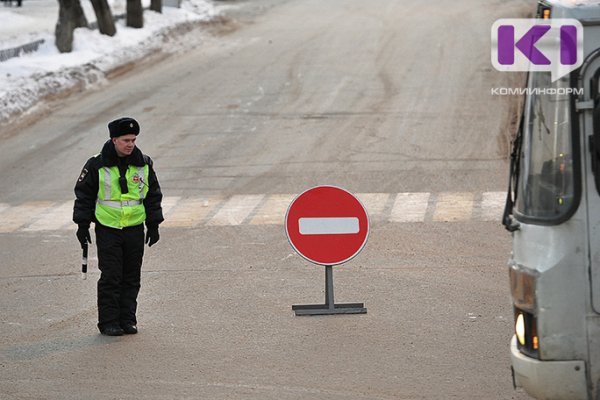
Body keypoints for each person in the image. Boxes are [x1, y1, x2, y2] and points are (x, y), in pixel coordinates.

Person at [73, 117, 163, 336]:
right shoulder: (96, 164)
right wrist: (82, 225)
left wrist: (153, 224)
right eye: (125, 140)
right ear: (114, 140)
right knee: (112, 276)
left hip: (134, 227)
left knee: (131, 276)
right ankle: (108, 322)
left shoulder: (144, 163)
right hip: (108, 227)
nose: (130, 144)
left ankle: (127, 320)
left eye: (133, 140)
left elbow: (153, 195)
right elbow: (83, 195)